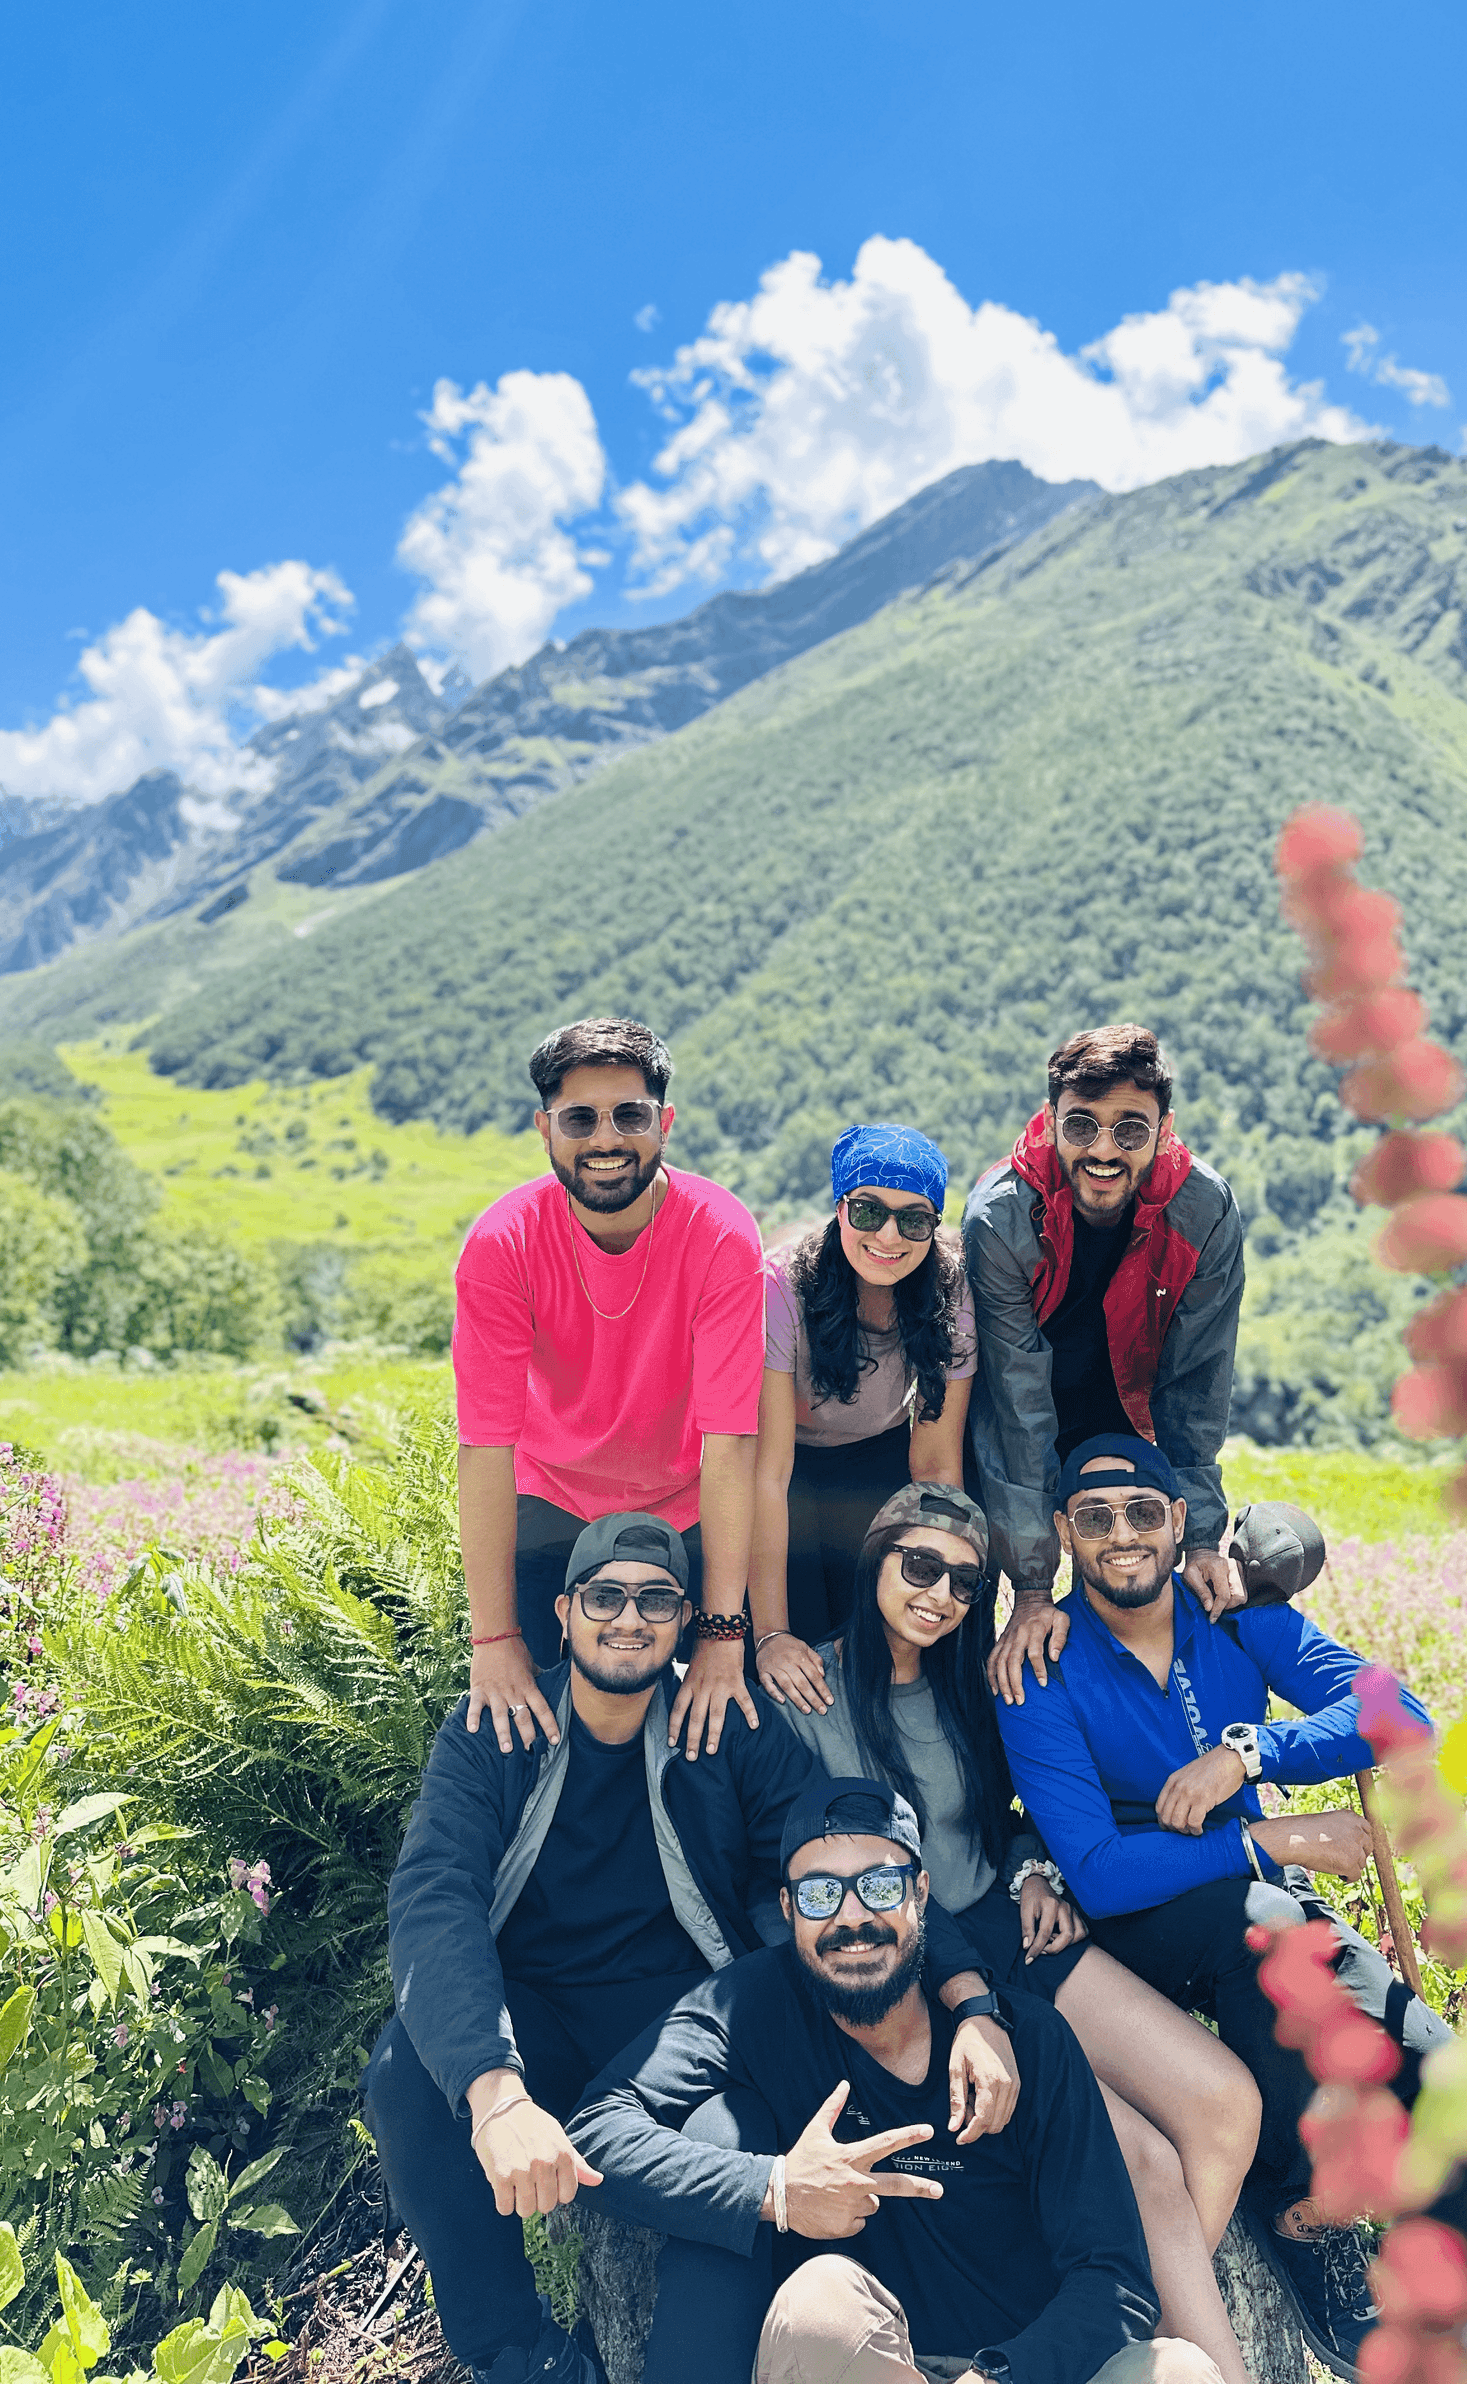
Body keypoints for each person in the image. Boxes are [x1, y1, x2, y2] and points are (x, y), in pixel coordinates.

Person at [364, 1512, 1018, 2384]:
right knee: (406, 2072)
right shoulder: (499, 1727)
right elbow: (434, 1894)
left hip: (682, 2028)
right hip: (539, 2017)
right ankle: (520, 2357)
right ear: (563, 1613)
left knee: (739, 2176)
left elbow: (850, 1854)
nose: (628, 1618)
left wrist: (970, 1997)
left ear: (683, 1624)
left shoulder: (723, 1723)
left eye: (656, 1600)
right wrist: (494, 2094)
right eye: (605, 1596)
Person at [994, 1434, 1467, 2384]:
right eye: (1094, 1519)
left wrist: (1250, 1755)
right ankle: (1299, 2209)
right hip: (1137, 1920)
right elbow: (1097, 1873)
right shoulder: (1039, 1665)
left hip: (1254, 1903)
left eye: (1142, 1513)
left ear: (1180, 1523)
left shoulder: (1235, 1614)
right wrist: (1271, 1839)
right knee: (1268, 1923)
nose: (1121, 1536)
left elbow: (1402, 1719)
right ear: (1062, 1535)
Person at [769, 1480, 1269, 2384]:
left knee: (1224, 2106)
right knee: (1147, 2165)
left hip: (1018, 1935)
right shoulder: (809, 1689)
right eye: (920, 1567)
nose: (940, 1596)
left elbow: (1024, 1804)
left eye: (965, 1583)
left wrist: (1036, 1866)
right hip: (929, 1968)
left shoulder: (976, 1677)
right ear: (876, 1562)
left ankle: (1101, 2329)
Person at [574, 1775, 1227, 2384]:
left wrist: (998, 2377)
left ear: (920, 1894)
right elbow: (596, 2132)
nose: (851, 1918)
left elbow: (1113, 2279)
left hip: (1020, 2370)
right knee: (818, 2299)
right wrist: (775, 2187)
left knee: (1178, 2370)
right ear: (787, 1907)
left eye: (879, 1887)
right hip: (865, 2361)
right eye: (820, 1893)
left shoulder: (1024, 2040)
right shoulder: (751, 2009)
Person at [452, 1014, 765, 1763]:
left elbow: (730, 1443)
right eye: (579, 1118)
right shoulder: (502, 1245)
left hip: (688, 1501)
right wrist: (494, 1639)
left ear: (666, 1123)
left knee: (720, 1730)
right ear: (544, 1128)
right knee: (526, 1724)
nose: (605, 1139)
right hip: (554, 1500)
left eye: (630, 1115)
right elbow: (484, 1451)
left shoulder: (720, 1233)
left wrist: (723, 1635)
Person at [962, 1025, 1248, 1702]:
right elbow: (1017, 1402)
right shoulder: (1002, 1217)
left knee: (1134, 1569)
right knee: (972, 1589)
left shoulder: (1203, 1210)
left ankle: (1156, 1728)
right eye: (1082, 1125)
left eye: (1130, 1131)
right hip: (1008, 1408)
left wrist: (1203, 1536)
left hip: (1125, 1410)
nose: (1103, 1150)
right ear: (1050, 1118)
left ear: (1165, 1128)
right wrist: (1032, 1586)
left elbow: (1196, 1383)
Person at [751, 1122, 976, 1694]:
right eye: (869, 1212)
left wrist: (937, 1579)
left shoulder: (950, 1291)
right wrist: (771, 1634)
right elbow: (768, 1473)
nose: (890, 1236)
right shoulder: (783, 1286)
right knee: (801, 1636)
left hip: (880, 1454)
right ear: (839, 1207)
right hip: (791, 1466)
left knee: (881, 1628)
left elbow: (936, 1465)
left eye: (915, 1219)